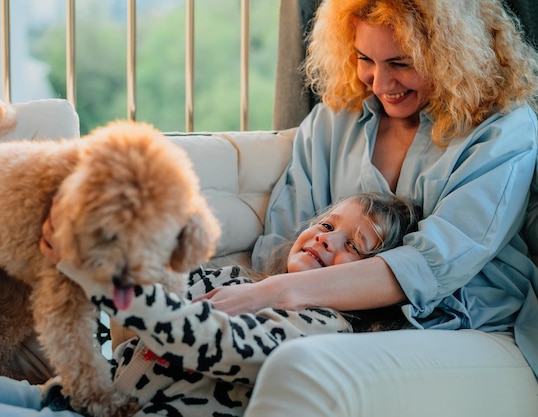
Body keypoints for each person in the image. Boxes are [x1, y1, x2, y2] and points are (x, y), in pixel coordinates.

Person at [197, 1, 538, 416]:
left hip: (470, 325)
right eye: (365, 59)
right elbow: (283, 236)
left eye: (401, 62)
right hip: (327, 317)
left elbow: (432, 265)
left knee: (299, 368)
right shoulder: (332, 122)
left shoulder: (502, 128)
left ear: (452, 53)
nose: (381, 82)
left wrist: (273, 293)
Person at [0, 192, 419, 416]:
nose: (327, 241)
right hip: (65, 397)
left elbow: (207, 342)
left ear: (374, 280)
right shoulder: (236, 278)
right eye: (328, 225)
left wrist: (99, 275)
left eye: (356, 245)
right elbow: (159, 289)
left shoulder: (323, 329)